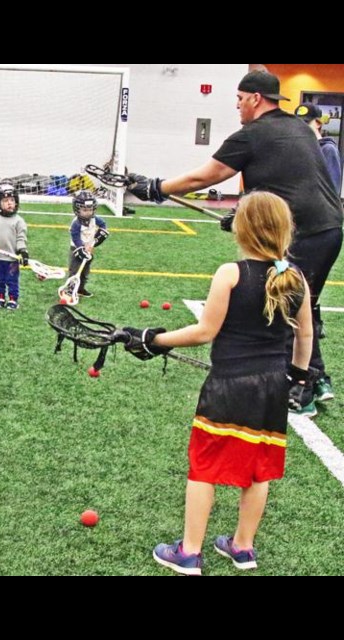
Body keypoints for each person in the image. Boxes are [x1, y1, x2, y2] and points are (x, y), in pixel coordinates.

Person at [127, 70, 342, 415]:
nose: (238, 108)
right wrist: (247, 216)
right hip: (329, 229)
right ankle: (317, 380)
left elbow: (207, 176)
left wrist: (158, 187)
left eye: (240, 101)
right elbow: (287, 180)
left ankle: (303, 388)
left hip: (302, 231)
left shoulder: (252, 134)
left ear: (256, 99)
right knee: (305, 302)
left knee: (288, 304)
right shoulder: (299, 128)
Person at [128, 192, 312, 575]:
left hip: (228, 385)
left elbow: (204, 331)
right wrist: (297, 375)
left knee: (204, 467)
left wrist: (153, 339)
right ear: (284, 230)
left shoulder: (231, 273)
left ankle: (190, 552)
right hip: (272, 388)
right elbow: (306, 336)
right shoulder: (296, 279)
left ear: (242, 229)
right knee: (259, 469)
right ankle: (243, 548)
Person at [67, 190, 108, 298]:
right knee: (75, 271)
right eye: (84, 210)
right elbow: (75, 237)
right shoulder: (76, 223)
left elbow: (103, 224)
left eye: (90, 209)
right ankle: (70, 289)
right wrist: (81, 248)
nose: (88, 212)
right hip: (76, 249)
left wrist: (101, 233)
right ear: (77, 209)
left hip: (89, 249)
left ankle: (80, 289)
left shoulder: (94, 219)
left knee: (85, 271)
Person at [295, 103, 342, 194]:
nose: (302, 127)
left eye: (306, 122)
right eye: (298, 123)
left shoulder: (328, 150)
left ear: (318, 123)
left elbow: (332, 189)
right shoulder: (299, 148)